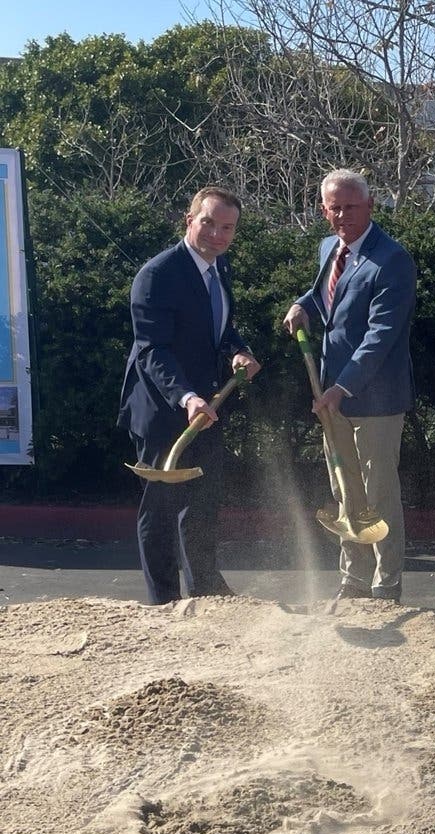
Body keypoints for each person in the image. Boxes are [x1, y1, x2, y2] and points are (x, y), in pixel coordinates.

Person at [118, 186, 262, 606]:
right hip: (163, 407)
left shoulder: (220, 267)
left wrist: (238, 349)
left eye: (227, 228)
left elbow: (219, 327)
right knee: (161, 506)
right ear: (189, 219)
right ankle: (163, 600)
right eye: (209, 223)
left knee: (203, 501)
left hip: (208, 405)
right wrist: (186, 397)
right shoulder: (158, 274)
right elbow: (152, 349)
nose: (218, 235)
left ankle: (205, 587)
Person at [283, 169, 417, 603]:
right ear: (324, 209)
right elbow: (324, 293)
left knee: (378, 492)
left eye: (351, 207)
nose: (342, 215)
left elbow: (381, 336)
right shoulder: (329, 247)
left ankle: (386, 581)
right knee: (344, 488)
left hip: (373, 398)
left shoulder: (392, 260)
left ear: (370, 206)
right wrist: (302, 305)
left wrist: (342, 388)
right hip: (331, 396)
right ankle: (354, 578)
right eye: (334, 207)